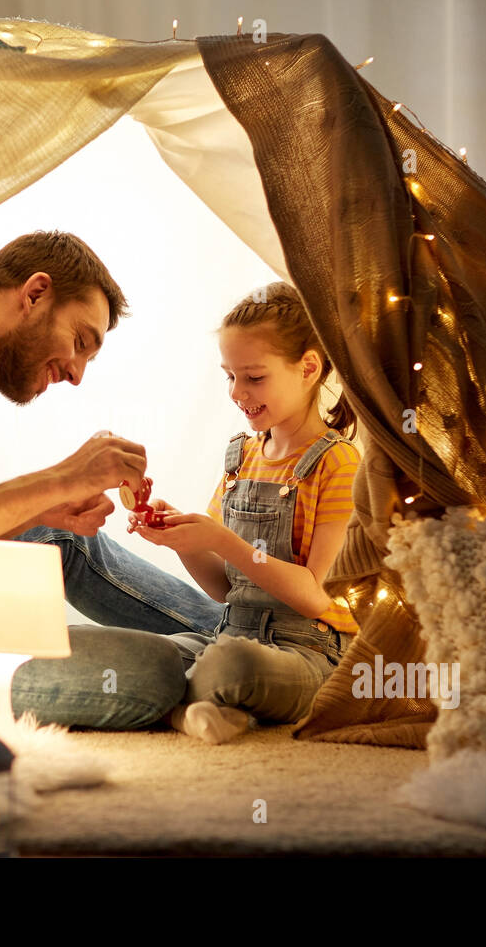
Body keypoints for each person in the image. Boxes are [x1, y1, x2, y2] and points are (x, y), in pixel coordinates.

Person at [0, 230, 224, 729]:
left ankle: (240, 637)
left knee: (56, 535)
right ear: (35, 293)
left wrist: (43, 511)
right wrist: (63, 477)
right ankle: (244, 653)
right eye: (81, 341)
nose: (77, 375)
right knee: (155, 671)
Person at [128, 282, 362, 744]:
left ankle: (176, 708)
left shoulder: (339, 463)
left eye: (254, 377)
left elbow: (319, 597)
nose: (237, 392)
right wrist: (181, 539)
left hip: (307, 652)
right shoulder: (242, 456)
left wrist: (221, 539)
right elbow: (222, 587)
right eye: (229, 375)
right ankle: (195, 708)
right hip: (229, 632)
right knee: (130, 656)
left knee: (229, 665)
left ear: (308, 368)